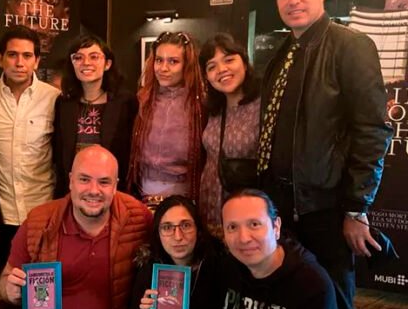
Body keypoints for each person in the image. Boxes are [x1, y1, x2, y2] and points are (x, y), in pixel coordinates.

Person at [259, 0, 392, 309]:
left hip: (326, 212)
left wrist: (356, 209)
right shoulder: (284, 51)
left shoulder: (350, 46)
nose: (292, 0)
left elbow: (373, 131)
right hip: (283, 210)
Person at [0, 145, 152, 309]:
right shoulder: (40, 221)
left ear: (116, 185)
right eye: (84, 179)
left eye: (104, 182)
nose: (94, 190)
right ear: (70, 181)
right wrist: (9, 290)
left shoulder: (139, 218)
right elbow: (6, 279)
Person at [207, 189, 343, 309]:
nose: (243, 238)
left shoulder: (311, 285)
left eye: (254, 224)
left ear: (276, 227)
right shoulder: (226, 269)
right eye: (232, 227)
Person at [107, 195, 217, 309]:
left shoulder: (217, 268)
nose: (178, 236)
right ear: (158, 234)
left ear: (198, 230)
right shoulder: (149, 271)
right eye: (167, 227)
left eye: (186, 225)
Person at [0, 25, 60, 270]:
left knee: (43, 280)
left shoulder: (53, 98)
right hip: (2, 212)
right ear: (0, 59)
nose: (19, 63)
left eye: (27, 56)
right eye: (12, 55)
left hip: (43, 209)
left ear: (36, 61)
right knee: (7, 279)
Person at [127, 31, 206, 209]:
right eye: (159, 60)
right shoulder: (143, 100)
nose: (163, 68)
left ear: (187, 65)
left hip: (183, 199)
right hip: (141, 195)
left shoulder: (200, 106)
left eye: (173, 61)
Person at [52, 34, 137, 197]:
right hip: (73, 191)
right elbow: (59, 154)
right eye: (78, 57)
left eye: (94, 57)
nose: (86, 63)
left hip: (112, 191)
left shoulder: (125, 102)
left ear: (107, 64)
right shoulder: (64, 103)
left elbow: (131, 152)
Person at [198, 33, 260, 237]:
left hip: (246, 210)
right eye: (211, 66)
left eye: (229, 60)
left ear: (245, 62)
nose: (222, 70)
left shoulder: (264, 105)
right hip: (209, 206)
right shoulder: (214, 110)